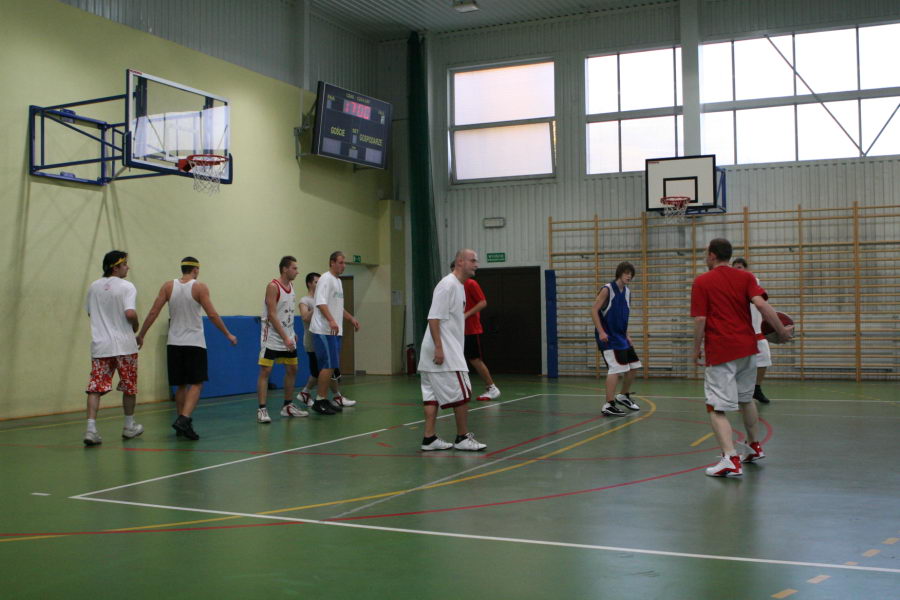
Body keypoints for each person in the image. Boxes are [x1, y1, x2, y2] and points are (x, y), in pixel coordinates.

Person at [691, 239, 792, 477]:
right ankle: (754, 447)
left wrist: (695, 348)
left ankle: (730, 458)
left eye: (706, 254)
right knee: (746, 399)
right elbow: (762, 305)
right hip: (748, 349)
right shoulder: (746, 277)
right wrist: (781, 331)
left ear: (712, 255)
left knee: (715, 407)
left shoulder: (702, 281)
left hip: (721, 350)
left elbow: (700, 319)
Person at [136, 257, 238, 440]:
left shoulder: (168, 286)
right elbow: (212, 314)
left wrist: (141, 334)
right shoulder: (199, 287)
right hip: (194, 342)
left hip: (174, 343)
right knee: (197, 383)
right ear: (195, 270)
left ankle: (182, 426)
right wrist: (228, 334)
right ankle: (184, 418)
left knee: (181, 385)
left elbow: (153, 312)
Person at [418, 249, 487, 452]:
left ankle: (429, 438)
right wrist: (439, 348)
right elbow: (433, 318)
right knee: (462, 393)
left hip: (436, 351)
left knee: (431, 396)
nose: (476, 264)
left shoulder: (459, 286)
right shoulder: (447, 285)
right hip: (444, 351)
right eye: (472, 260)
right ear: (460, 262)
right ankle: (462, 437)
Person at [83, 250, 143, 446]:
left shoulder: (93, 287)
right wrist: (136, 326)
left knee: (95, 387)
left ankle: (91, 429)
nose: (128, 267)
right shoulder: (127, 286)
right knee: (129, 387)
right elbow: (130, 313)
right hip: (125, 345)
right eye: (124, 264)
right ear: (115, 267)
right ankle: (129, 426)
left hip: (101, 347)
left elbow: (91, 314)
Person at [256, 256, 307, 423]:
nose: (297, 272)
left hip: (287, 335)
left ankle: (287, 406)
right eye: (294, 268)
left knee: (293, 369)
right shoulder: (273, 286)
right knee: (266, 371)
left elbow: (288, 311)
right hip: (272, 336)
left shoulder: (291, 286)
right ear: (285, 269)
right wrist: (285, 337)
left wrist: (292, 332)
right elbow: (272, 314)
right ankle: (262, 409)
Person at [308, 251, 360, 415]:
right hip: (323, 330)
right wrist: (331, 320)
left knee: (332, 366)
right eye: (341, 262)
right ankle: (319, 401)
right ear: (332, 262)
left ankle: (324, 399)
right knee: (328, 365)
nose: (343, 266)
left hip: (335, 332)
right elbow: (320, 303)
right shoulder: (325, 279)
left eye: (344, 263)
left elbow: (337, 306)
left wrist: (350, 318)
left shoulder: (338, 281)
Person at [296, 272, 355, 409]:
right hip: (313, 339)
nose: (319, 284)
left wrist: (351, 318)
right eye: (316, 282)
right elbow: (305, 317)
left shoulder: (324, 297)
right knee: (322, 370)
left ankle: (310, 393)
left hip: (327, 336)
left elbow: (340, 309)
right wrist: (318, 306)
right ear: (309, 284)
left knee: (327, 369)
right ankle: (311, 394)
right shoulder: (305, 300)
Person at [591, 261, 641, 417]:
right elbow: (594, 310)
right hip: (608, 337)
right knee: (615, 369)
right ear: (619, 273)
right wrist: (601, 332)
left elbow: (622, 316)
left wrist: (627, 334)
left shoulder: (627, 292)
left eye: (631, 274)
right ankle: (609, 404)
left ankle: (623, 395)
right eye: (626, 273)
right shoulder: (607, 289)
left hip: (621, 336)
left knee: (634, 366)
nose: (629, 276)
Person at [732, 257, 772, 404]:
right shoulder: (730, 285)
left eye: (740, 267)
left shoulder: (753, 280)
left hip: (757, 330)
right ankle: (738, 392)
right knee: (739, 366)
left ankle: (757, 388)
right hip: (740, 331)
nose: (737, 270)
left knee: (764, 359)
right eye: (735, 268)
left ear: (746, 269)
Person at [461, 272, 500, 402]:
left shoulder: (470, 283)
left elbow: (483, 302)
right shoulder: (454, 285)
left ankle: (492, 388)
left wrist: (466, 315)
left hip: (471, 329)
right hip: (457, 330)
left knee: (475, 359)